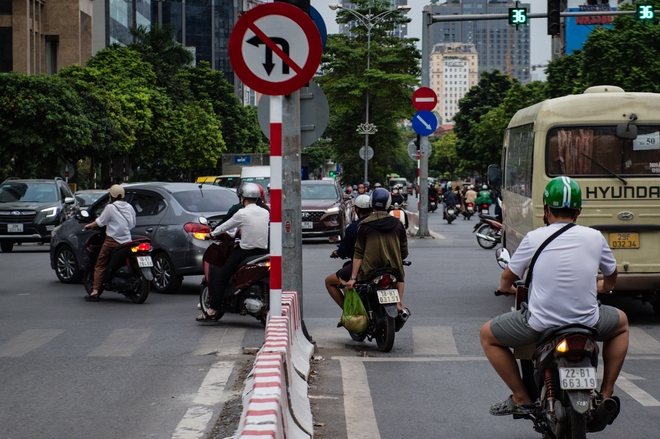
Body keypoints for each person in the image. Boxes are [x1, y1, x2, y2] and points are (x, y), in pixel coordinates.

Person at [479, 176, 629, 416]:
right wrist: (604, 287)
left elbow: (507, 279)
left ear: (546, 209)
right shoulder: (594, 236)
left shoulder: (534, 237)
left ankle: (520, 396)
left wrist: (506, 288)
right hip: (589, 323)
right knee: (621, 323)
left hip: (541, 325)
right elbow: (611, 277)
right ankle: (607, 393)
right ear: (578, 211)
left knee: (487, 335)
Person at [196, 182, 270, 322]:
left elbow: (225, 226)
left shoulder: (242, 213)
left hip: (246, 252)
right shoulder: (265, 212)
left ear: (242, 198)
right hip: (263, 251)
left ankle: (212, 310)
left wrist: (211, 234)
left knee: (222, 277)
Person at [344, 188, 410, 330]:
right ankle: (399, 303)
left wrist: (353, 277)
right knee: (400, 275)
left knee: (357, 289)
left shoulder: (364, 225)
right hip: (393, 269)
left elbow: (358, 253)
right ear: (389, 204)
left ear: (372, 203)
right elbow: (404, 252)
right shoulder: (398, 224)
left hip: (369, 270)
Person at [83, 184, 137, 301]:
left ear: (111, 196)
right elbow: (132, 224)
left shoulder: (110, 208)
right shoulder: (129, 207)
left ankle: (95, 291)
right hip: (127, 240)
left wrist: (89, 226)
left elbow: (101, 222)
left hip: (112, 240)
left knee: (100, 263)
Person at [325, 195, 372, 309]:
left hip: (362, 266)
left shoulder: (355, 227)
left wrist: (337, 253)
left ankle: (348, 311)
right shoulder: (380, 225)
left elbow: (345, 250)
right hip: (383, 264)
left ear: (357, 209)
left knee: (329, 281)